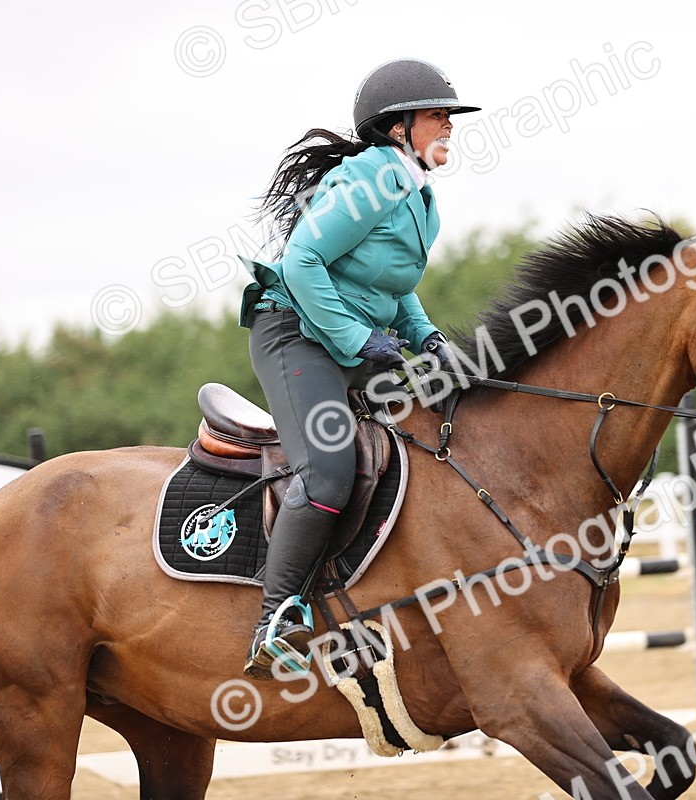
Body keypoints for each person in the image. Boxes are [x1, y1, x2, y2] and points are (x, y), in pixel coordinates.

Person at [237, 59, 478, 678]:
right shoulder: (374, 182)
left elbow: (390, 285)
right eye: (437, 116)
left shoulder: (417, 193)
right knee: (328, 467)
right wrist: (357, 336)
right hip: (294, 333)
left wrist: (425, 337)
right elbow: (301, 262)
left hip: (348, 339)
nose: (449, 126)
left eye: (448, 117)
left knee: (432, 429)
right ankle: (275, 620)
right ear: (398, 128)